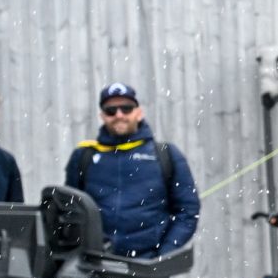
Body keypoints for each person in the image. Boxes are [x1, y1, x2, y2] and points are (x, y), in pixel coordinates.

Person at [64, 83, 199, 258]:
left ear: (139, 112)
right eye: (111, 110)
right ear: (102, 116)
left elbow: (188, 210)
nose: (119, 115)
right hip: (95, 263)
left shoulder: (166, 155)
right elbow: (70, 210)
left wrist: (164, 254)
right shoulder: (84, 156)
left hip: (148, 264)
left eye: (126, 108)